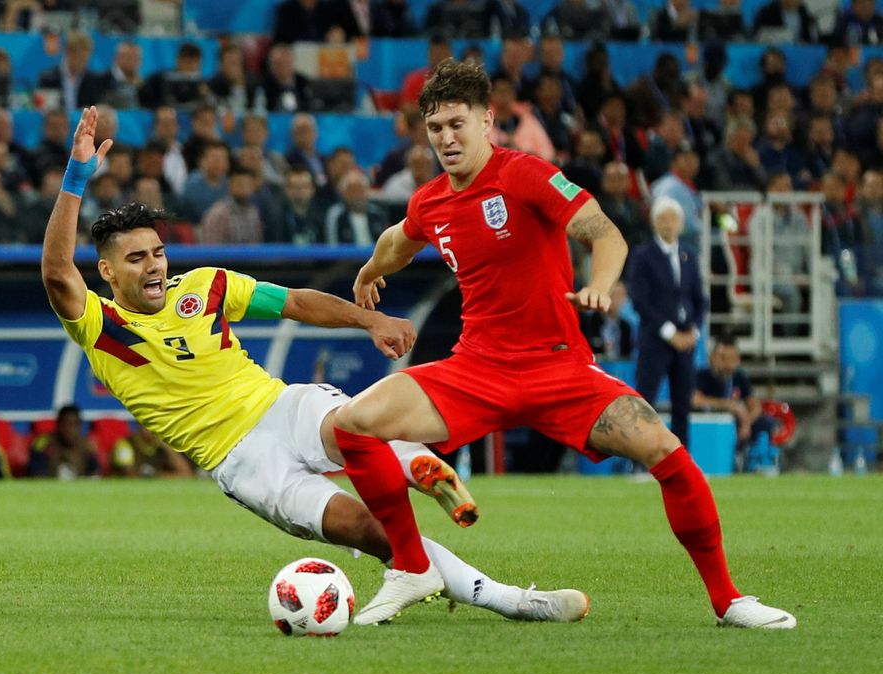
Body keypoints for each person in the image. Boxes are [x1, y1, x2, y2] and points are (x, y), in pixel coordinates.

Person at [41, 106, 579, 625]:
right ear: (108, 271)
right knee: (369, 530)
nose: (154, 265)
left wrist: (370, 322)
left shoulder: (206, 285)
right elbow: (57, 272)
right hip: (242, 459)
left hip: (281, 405)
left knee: (350, 426)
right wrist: (76, 179)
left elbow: (295, 302)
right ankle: (506, 594)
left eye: (157, 252)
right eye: (137, 259)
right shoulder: (100, 325)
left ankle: (409, 461)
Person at [330, 60, 795, 629]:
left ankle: (729, 600)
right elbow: (399, 240)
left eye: (457, 124)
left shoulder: (524, 174)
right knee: (353, 423)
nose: (446, 139)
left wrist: (599, 285)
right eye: (435, 129)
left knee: (666, 451)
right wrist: (369, 272)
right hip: (476, 369)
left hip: (558, 369)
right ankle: (411, 566)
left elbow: (605, 232)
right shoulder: (431, 200)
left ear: (487, 120)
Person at [627, 197, 707, 447]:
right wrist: (669, 331)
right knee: (647, 399)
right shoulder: (643, 256)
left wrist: (692, 332)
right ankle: (641, 459)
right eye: (663, 218)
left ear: (681, 224)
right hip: (655, 340)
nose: (668, 224)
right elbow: (640, 300)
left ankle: (682, 462)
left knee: (683, 403)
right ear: (654, 223)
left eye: (673, 218)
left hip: (685, 341)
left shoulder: (689, 257)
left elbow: (699, 299)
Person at [693, 334, 774, 459]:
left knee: (764, 422)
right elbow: (695, 400)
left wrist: (747, 421)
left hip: (736, 424)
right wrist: (729, 405)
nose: (728, 364)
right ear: (711, 358)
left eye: (733, 359)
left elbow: (755, 405)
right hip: (711, 424)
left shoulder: (739, 377)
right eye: (723, 358)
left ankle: (756, 461)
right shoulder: (701, 376)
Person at [28, 404, 100, 479]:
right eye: (66, 424)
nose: (70, 430)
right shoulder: (44, 444)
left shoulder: (87, 446)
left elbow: (95, 476)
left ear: (80, 425)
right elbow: (36, 475)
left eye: (74, 424)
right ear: (58, 424)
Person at [111, 424, 194, 478]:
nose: (152, 431)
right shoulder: (125, 444)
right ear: (140, 426)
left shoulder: (161, 446)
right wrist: (164, 476)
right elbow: (129, 475)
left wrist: (167, 447)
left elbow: (186, 474)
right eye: (148, 427)